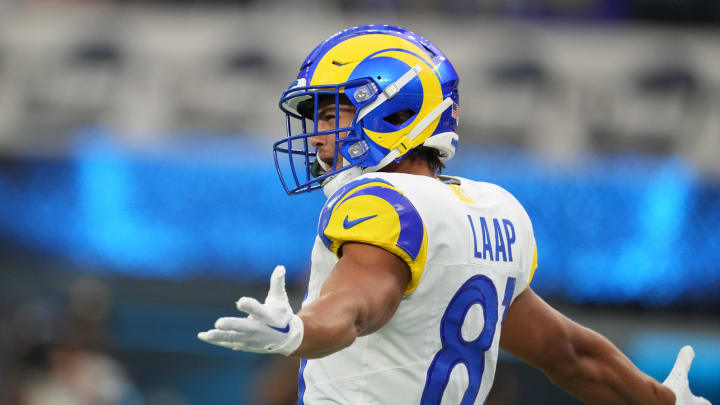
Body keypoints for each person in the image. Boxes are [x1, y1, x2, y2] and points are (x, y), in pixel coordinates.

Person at [198, 25, 710, 405]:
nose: (317, 136)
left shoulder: (381, 203)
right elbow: (570, 355)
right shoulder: (492, 209)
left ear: (396, 112)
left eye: (333, 114)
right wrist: (658, 400)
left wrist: (300, 330)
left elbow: (358, 305)